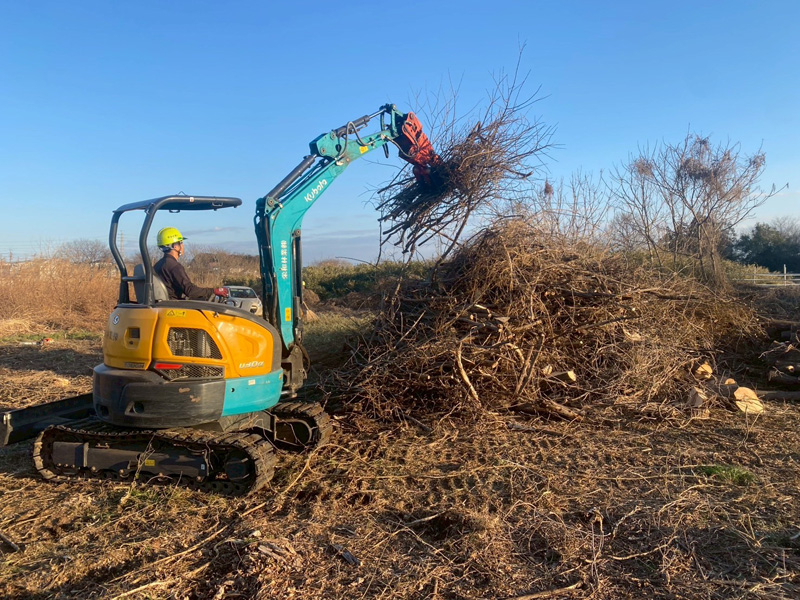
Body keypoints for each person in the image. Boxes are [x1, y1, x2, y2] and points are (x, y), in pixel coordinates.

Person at [153, 227, 229, 300]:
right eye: (181, 243)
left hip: (162, 306)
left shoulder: (157, 266)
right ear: (175, 246)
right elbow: (190, 291)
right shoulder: (174, 267)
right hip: (174, 307)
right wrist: (214, 291)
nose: (183, 246)